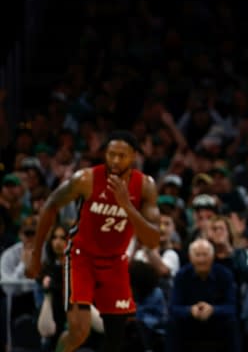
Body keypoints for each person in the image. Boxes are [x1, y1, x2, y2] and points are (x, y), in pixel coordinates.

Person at [25, 130, 161, 352]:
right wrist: (36, 254)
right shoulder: (86, 179)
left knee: (117, 337)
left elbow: (153, 240)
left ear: (134, 156)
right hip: (82, 257)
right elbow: (50, 206)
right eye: (111, 154)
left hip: (115, 261)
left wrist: (127, 205)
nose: (115, 161)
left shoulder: (145, 186)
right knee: (79, 331)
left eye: (122, 156)